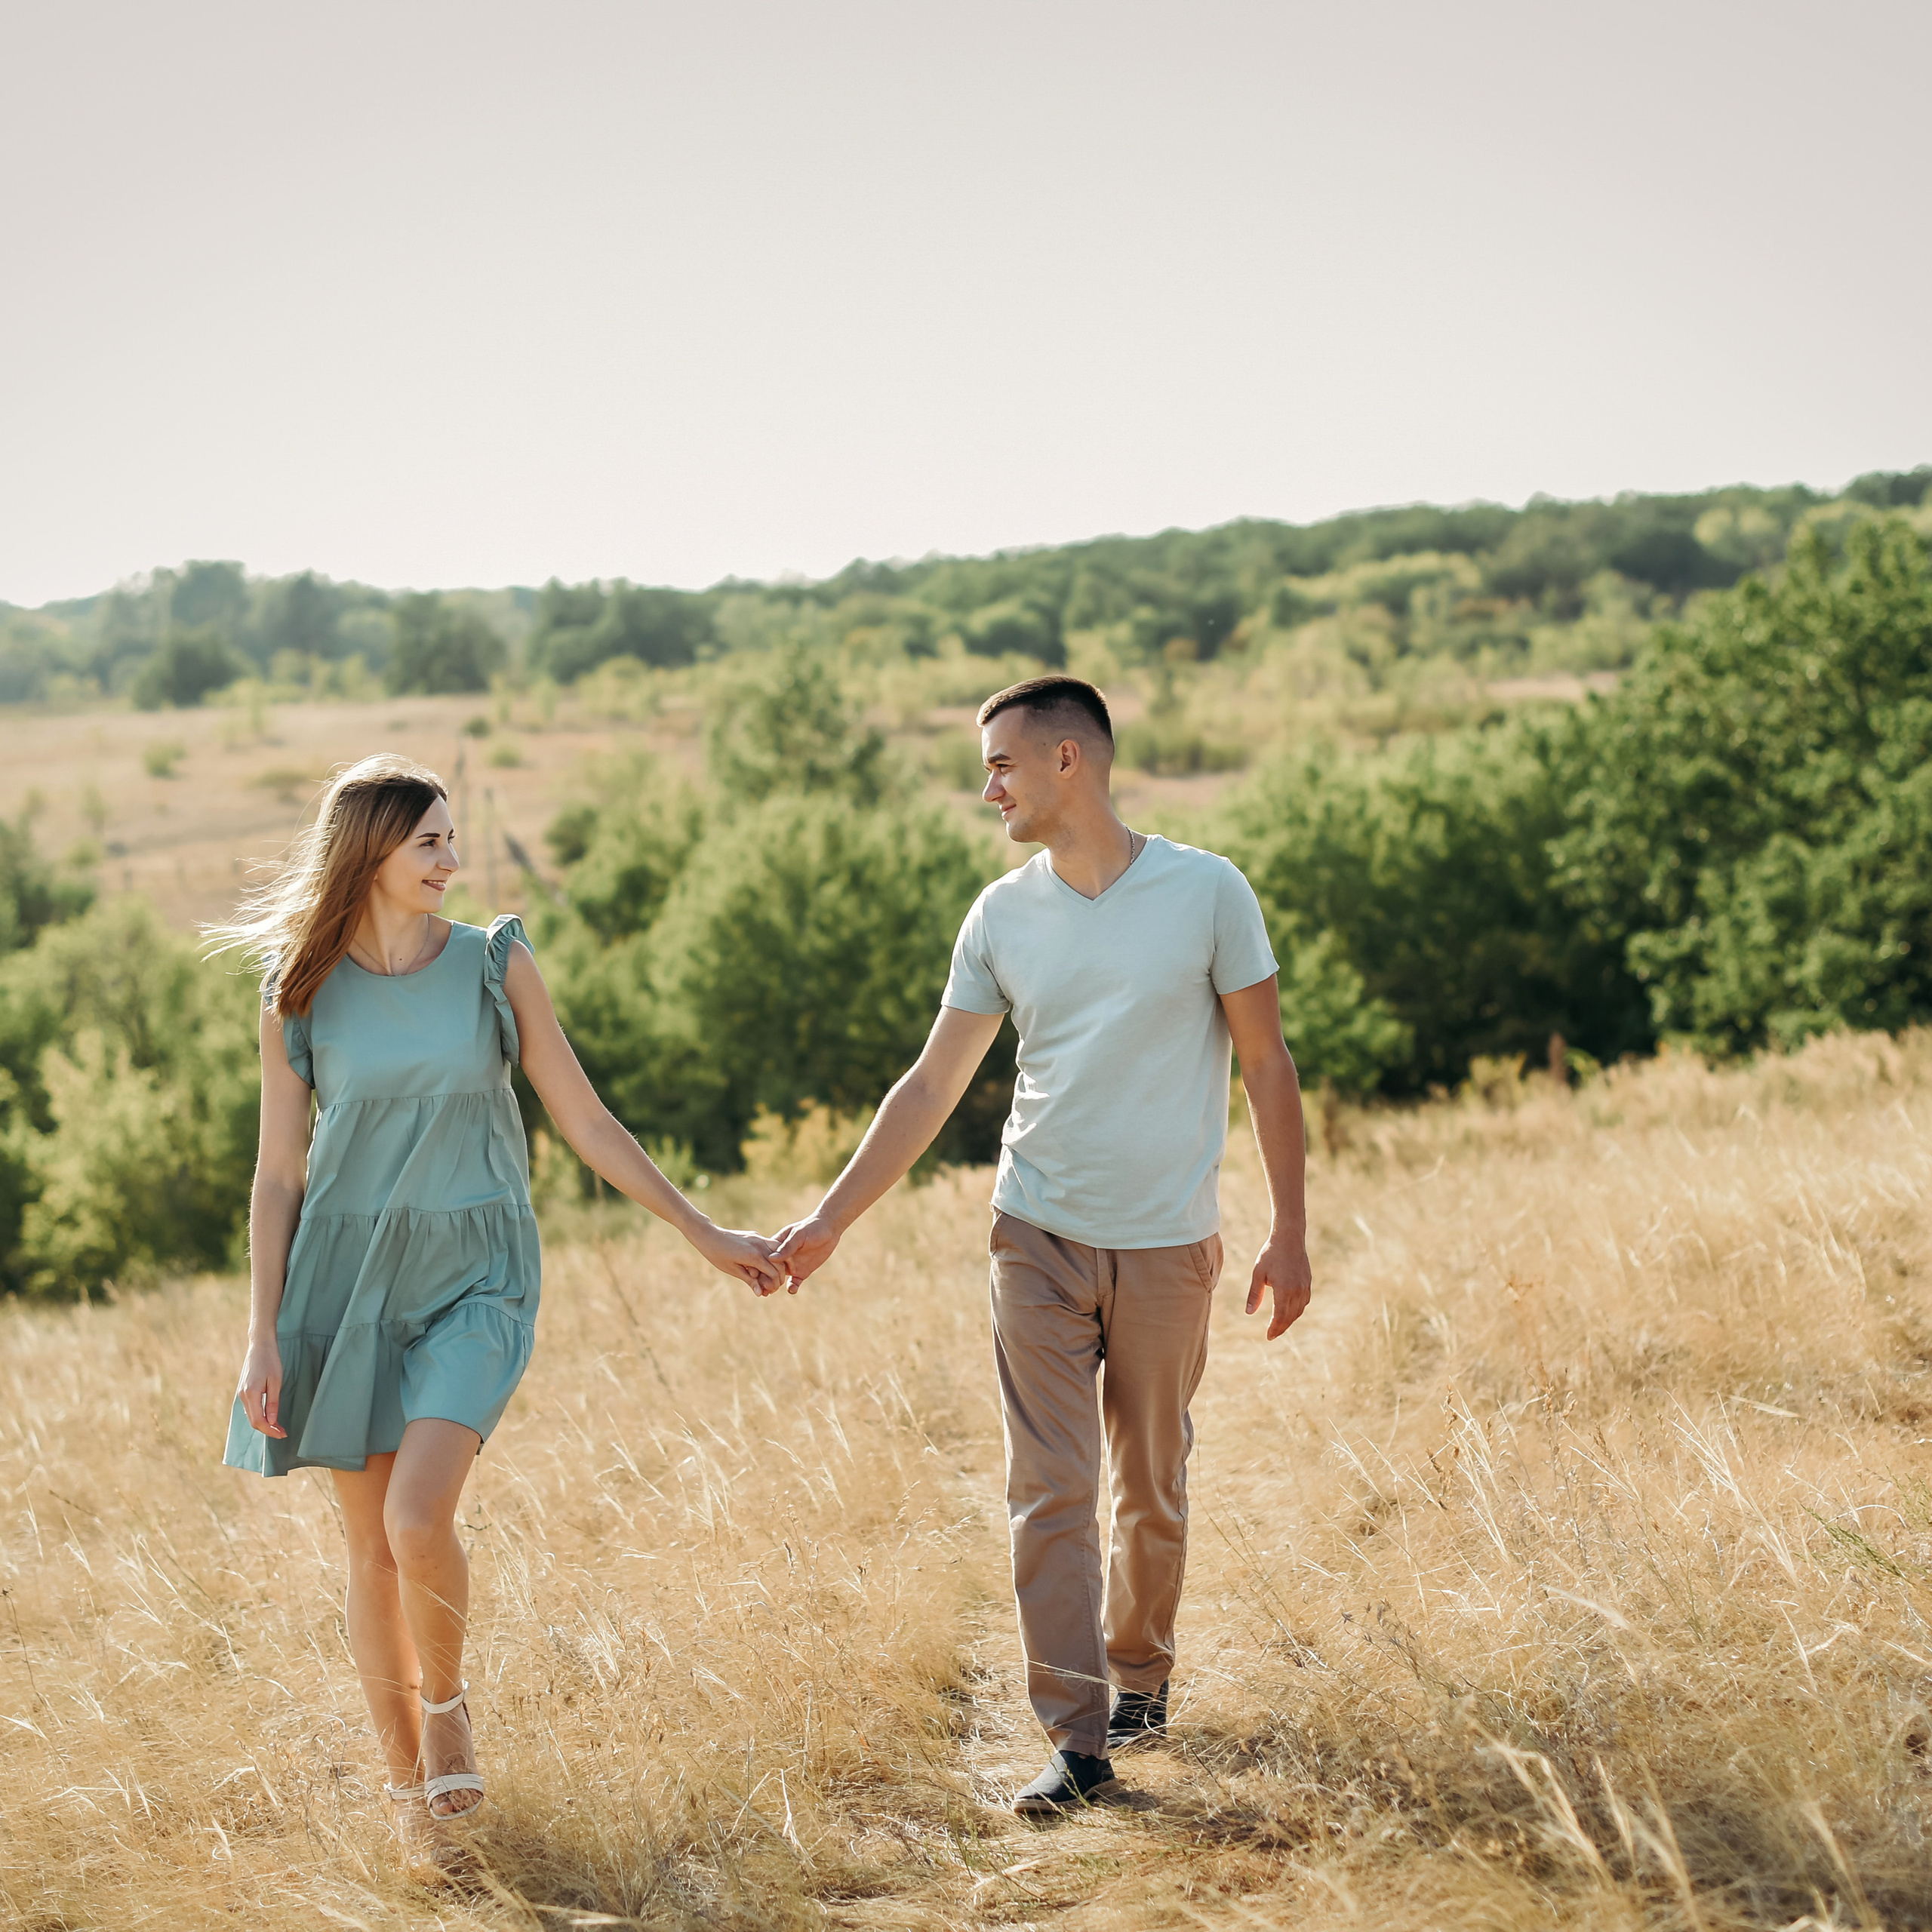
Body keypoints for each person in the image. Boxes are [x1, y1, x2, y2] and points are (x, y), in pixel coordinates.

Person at [214, 755, 781, 1866]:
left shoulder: (492, 964)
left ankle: (448, 1705)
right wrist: (262, 1334)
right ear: (370, 850)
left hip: (478, 1273)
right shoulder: (299, 987)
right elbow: (277, 1175)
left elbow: (587, 1119)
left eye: (450, 837)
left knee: (416, 1518)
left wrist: (703, 1231)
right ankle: (408, 1799)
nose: (452, 859)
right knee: (370, 1552)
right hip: (344, 1280)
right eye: (429, 840)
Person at [769, 675, 1312, 1815]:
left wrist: (1291, 1229)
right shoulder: (999, 916)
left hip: (1168, 1244)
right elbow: (931, 1085)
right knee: (1051, 1487)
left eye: (1002, 765)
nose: (989, 790)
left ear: (1070, 758)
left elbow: (1267, 1062)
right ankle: (1076, 1739)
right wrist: (830, 1219)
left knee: (1150, 1485)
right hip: (1037, 1238)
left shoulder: (1208, 891)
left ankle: (1141, 1676)